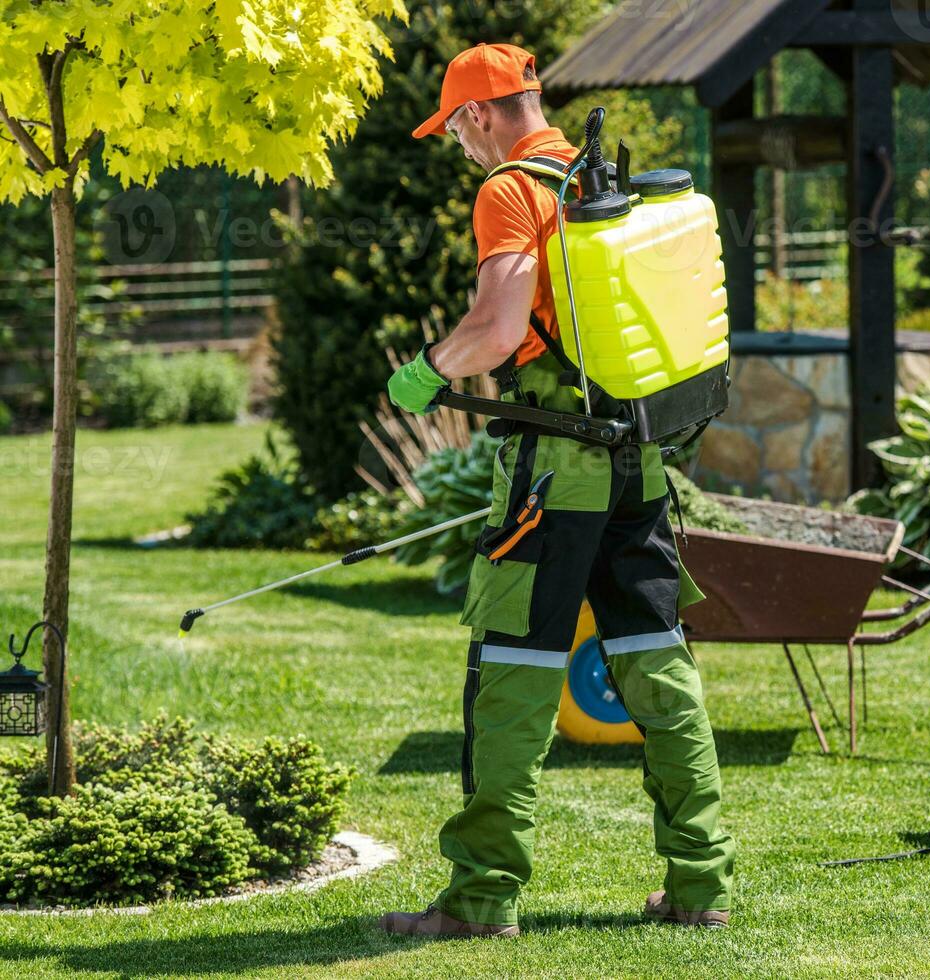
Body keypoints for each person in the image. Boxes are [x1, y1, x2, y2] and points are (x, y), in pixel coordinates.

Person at [377, 43, 734, 939]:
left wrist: (427, 369)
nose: (458, 144)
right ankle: (701, 886)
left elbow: (498, 328)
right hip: (637, 459)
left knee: (514, 669)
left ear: (479, 113)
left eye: (455, 126)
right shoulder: (597, 179)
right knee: (658, 660)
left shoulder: (509, 190)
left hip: (555, 464)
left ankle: (481, 899)